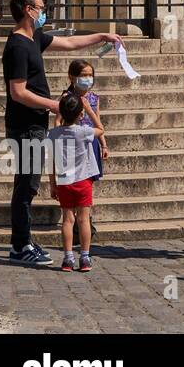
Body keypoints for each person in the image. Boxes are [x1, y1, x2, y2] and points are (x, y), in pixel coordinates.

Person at [1, 0, 123, 265]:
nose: (44, 12)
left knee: (28, 183)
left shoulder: (34, 38)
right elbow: (18, 92)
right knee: (26, 185)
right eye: (41, 7)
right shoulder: (18, 45)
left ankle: (25, 241)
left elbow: (70, 44)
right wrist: (54, 105)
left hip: (35, 123)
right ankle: (20, 246)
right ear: (27, 10)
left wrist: (103, 36)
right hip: (24, 125)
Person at [46, 90, 105, 272]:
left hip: (64, 181)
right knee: (83, 220)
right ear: (81, 114)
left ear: (62, 113)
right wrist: (89, 109)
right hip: (83, 181)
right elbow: (101, 129)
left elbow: (51, 161)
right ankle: (85, 258)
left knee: (67, 220)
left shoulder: (54, 134)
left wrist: (53, 184)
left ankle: (67, 258)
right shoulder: (83, 132)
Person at [66, 60, 107, 242]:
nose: (87, 79)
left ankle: (85, 220)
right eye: (83, 75)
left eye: (90, 75)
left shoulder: (94, 98)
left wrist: (104, 144)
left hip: (91, 143)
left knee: (87, 184)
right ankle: (77, 223)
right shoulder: (67, 97)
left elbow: (98, 121)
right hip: (74, 145)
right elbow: (59, 121)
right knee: (75, 182)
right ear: (73, 77)